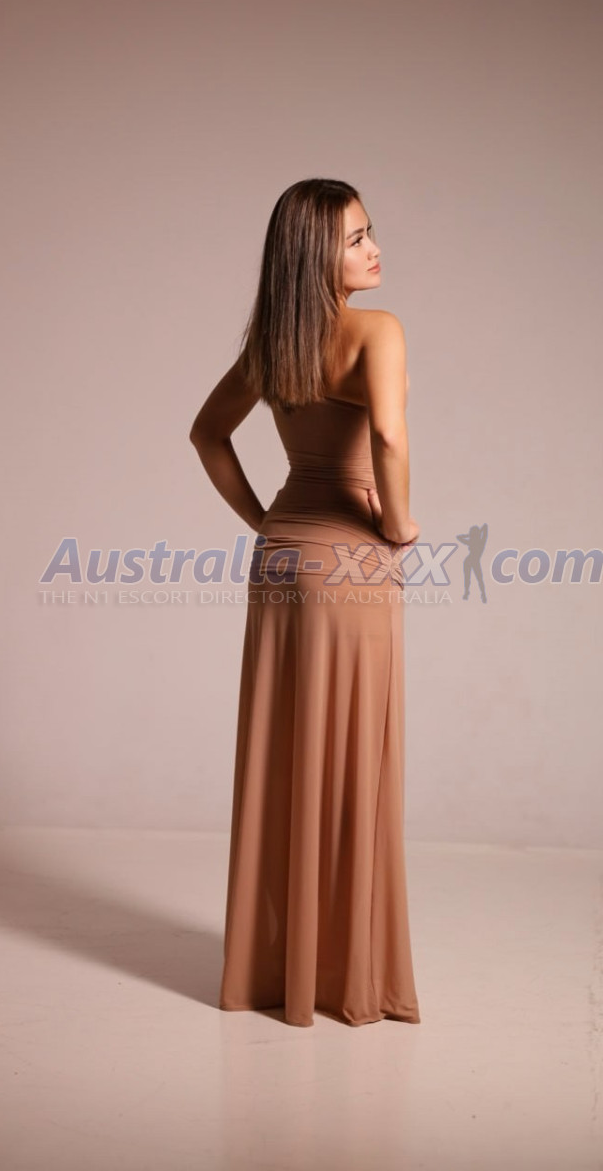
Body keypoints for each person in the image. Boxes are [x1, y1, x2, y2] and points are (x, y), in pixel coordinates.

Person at [189, 178, 421, 1027]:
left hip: (283, 559)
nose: (374, 248)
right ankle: (344, 974)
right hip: (353, 561)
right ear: (314, 255)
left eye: (369, 231)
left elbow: (207, 433)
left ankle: (275, 971)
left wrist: (265, 521)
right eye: (356, 239)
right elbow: (388, 435)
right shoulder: (378, 331)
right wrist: (398, 525)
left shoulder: (274, 344)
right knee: (354, 757)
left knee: (288, 752)